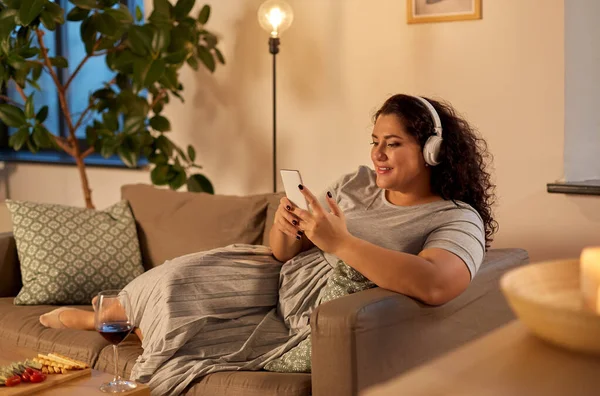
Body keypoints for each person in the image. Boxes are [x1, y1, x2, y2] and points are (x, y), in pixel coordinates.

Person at [39, 94, 497, 395]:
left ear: (432, 151)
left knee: (190, 326)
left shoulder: (454, 218)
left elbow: (438, 284)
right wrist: (287, 223)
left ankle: (112, 317)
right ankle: (110, 312)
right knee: (181, 277)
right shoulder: (358, 182)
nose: (376, 154)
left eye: (392, 144)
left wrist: (341, 243)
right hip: (279, 273)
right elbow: (281, 252)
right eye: (375, 141)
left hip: (313, 305)